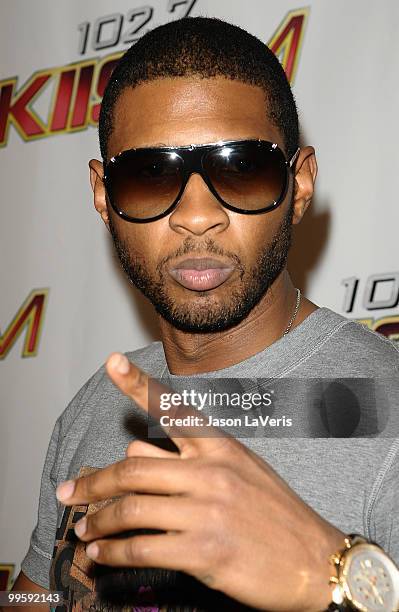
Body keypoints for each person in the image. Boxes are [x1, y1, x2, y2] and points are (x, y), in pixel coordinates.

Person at [8, 16, 399, 612]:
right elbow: (37, 598)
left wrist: (330, 572)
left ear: (299, 184)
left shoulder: (385, 406)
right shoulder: (97, 407)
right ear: (101, 196)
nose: (197, 215)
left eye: (241, 169)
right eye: (150, 174)